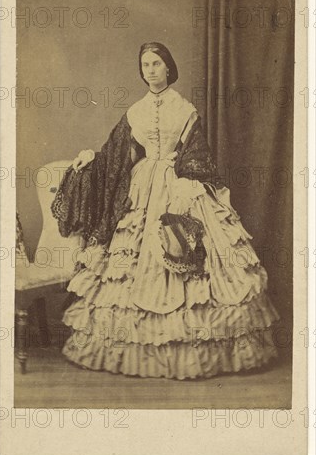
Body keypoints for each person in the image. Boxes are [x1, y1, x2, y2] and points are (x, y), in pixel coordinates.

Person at [52, 41, 280, 380]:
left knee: (188, 251)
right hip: (141, 186)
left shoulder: (185, 109)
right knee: (127, 260)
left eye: (157, 64)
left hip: (180, 182)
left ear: (169, 68)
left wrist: (188, 183)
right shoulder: (135, 112)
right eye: (145, 65)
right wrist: (90, 160)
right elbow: (117, 158)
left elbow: (198, 154)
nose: (151, 70)